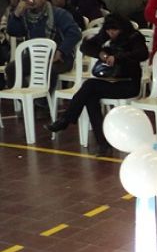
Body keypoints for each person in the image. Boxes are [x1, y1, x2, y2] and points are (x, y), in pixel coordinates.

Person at [46, 14, 148, 156]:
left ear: (122, 29)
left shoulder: (134, 37)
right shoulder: (105, 36)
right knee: (90, 97)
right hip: (109, 80)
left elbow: (142, 54)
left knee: (90, 86)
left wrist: (118, 57)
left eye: (115, 31)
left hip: (128, 83)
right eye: (109, 30)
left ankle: (67, 119)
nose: (111, 33)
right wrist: (101, 54)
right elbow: (85, 46)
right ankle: (103, 144)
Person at [5, 0, 81, 92]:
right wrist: (17, 13)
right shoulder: (25, 16)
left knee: (49, 70)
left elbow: (75, 33)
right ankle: (27, 101)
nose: (31, 0)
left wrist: (61, 51)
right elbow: (12, 31)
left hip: (60, 56)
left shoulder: (58, 13)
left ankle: (44, 103)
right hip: (35, 56)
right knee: (11, 69)